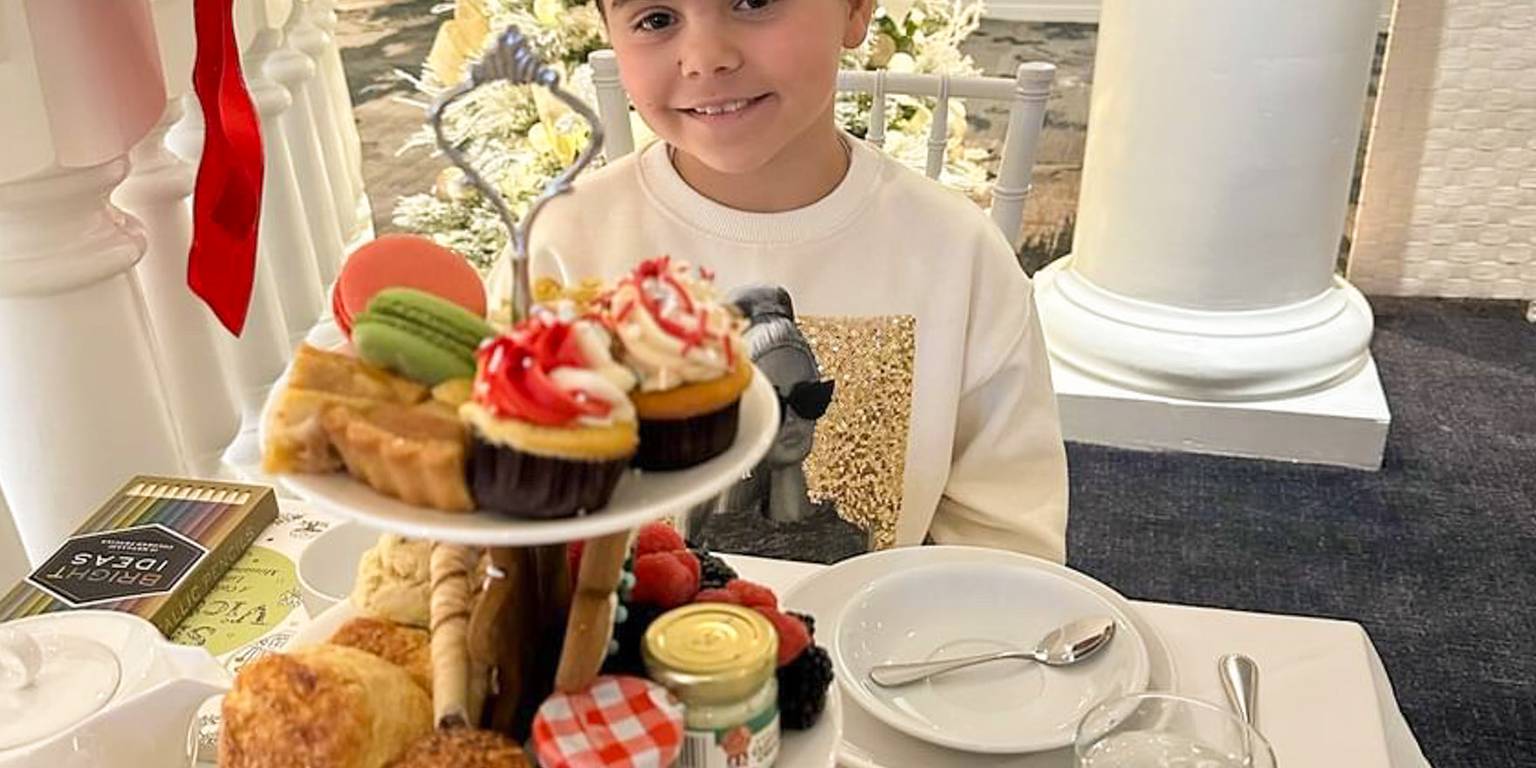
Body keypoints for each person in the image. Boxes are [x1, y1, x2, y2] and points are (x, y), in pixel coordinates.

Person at [507, 0, 1069, 561]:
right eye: (657, 18)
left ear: (855, 11)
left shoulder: (958, 255)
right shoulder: (559, 248)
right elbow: (509, 509)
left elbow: (1006, 545)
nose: (705, 59)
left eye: (753, 2)